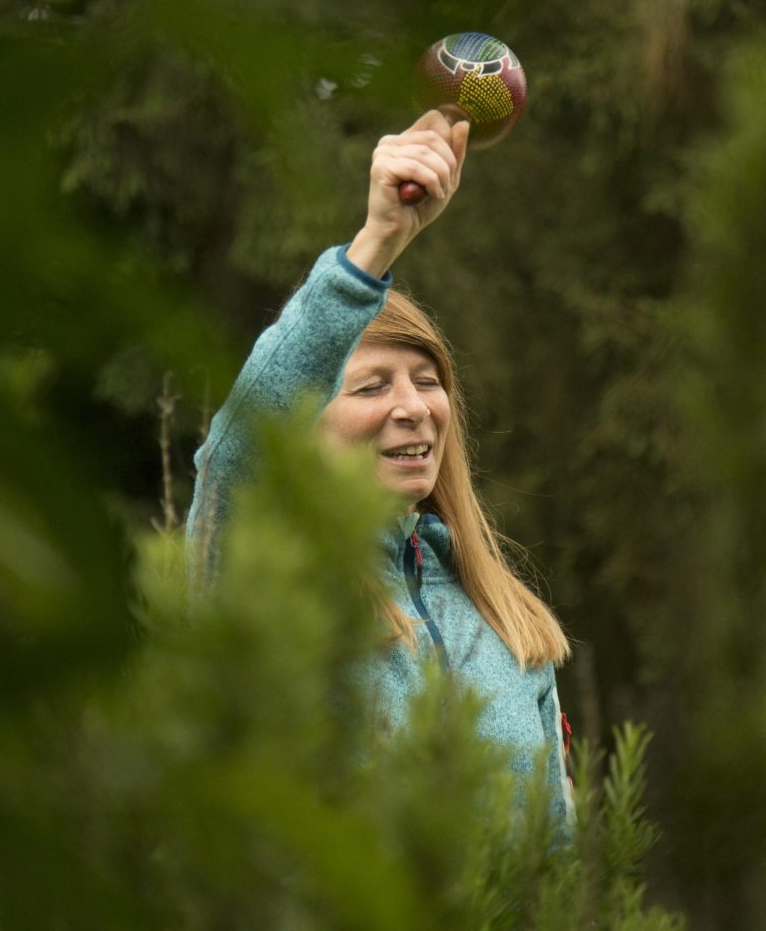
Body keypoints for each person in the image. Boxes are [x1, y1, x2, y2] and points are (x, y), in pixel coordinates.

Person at [186, 110, 574, 832]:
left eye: (427, 381)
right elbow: (235, 455)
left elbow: (563, 867)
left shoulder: (507, 623)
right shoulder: (262, 587)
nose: (413, 408)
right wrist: (377, 244)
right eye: (370, 388)